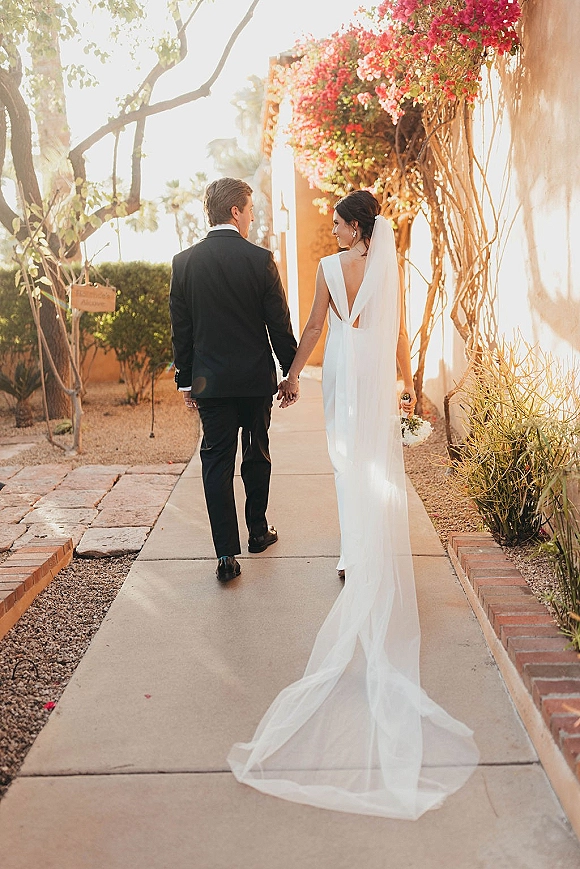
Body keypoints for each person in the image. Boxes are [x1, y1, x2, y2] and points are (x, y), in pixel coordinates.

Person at [228, 191, 479, 818]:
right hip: (373, 369)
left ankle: (353, 550)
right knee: (372, 461)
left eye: (339, 223)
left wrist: (292, 376)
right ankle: (366, 546)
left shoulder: (327, 269)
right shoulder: (386, 265)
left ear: (355, 226)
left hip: (342, 366)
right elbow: (393, 331)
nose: (333, 230)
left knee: (347, 461)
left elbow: (314, 326)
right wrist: (405, 389)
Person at [169, 177, 297, 582]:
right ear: (235, 212)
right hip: (255, 381)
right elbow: (278, 323)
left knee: (216, 463)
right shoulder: (260, 260)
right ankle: (258, 532)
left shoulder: (184, 262)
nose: (254, 218)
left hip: (212, 385)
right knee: (256, 454)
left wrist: (185, 380)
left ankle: (226, 554)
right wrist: (290, 373)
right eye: (252, 210)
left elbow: (182, 329)